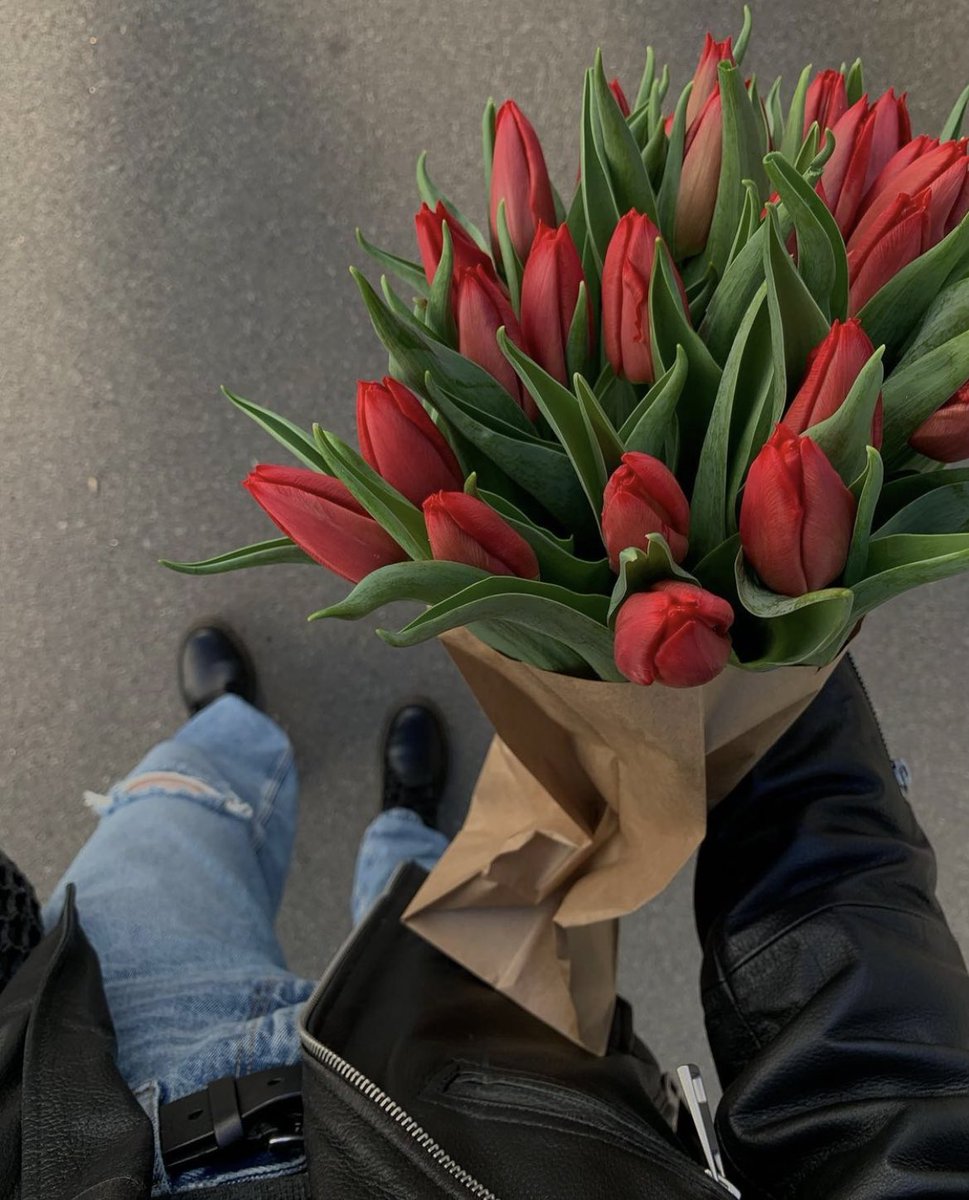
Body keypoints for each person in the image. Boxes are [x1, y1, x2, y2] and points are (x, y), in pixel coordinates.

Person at [2, 622, 969, 1199]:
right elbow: (881, 1110)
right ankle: (402, 826)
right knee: (456, 892)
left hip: (87, 1064)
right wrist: (775, 654)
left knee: (174, 809)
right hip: (511, 1109)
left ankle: (231, 730)